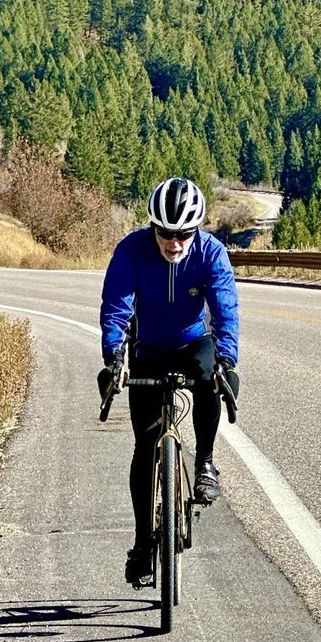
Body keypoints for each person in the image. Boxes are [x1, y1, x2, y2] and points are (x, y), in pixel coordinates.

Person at [98, 176, 240, 588]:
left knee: (208, 374)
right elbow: (116, 308)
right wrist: (114, 356)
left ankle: (206, 462)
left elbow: (225, 312)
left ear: (195, 230)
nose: (173, 243)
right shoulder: (131, 251)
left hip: (193, 343)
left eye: (182, 234)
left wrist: (228, 361)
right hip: (148, 348)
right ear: (152, 227)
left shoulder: (211, 254)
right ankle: (143, 544)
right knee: (145, 445)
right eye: (164, 233)